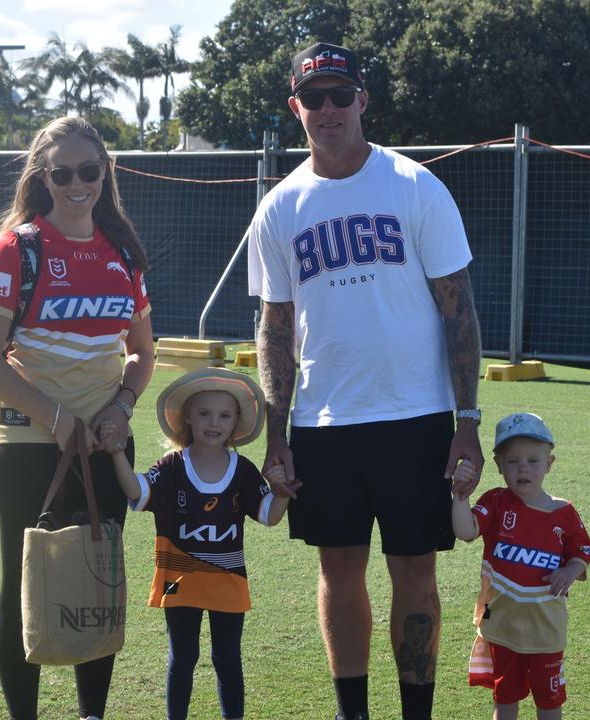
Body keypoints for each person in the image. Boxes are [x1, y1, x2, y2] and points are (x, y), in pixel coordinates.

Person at [246, 41, 486, 720]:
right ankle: (353, 713)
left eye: (340, 95)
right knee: (338, 572)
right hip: (325, 424)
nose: (328, 109)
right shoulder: (281, 207)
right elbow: (274, 327)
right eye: (313, 97)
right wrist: (277, 434)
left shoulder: (414, 187)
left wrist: (466, 422)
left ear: (363, 101)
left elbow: (457, 308)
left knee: (416, 570)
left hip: (416, 417)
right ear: (297, 107)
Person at [0, 116, 153, 720]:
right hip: (25, 443)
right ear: (42, 177)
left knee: (97, 577)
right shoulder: (16, 248)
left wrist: (120, 410)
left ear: (106, 173)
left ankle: (91, 713)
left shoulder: (122, 251)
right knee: (24, 584)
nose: (78, 184)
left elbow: (143, 353)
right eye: (63, 172)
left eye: (89, 171)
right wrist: (58, 418)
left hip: (103, 442)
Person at [99, 368, 301, 720]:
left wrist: (282, 492)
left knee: (227, 658)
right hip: (181, 580)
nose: (214, 422)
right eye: (204, 413)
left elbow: (269, 515)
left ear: (236, 421)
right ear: (188, 418)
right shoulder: (173, 466)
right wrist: (117, 453)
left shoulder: (243, 469)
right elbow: (137, 491)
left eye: (224, 415)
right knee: (183, 657)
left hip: (228, 581)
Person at [451, 413, 590, 720]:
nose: (523, 468)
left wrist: (569, 571)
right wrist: (460, 499)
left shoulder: (564, 513)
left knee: (549, 702)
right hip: (503, 628)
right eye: (513, 461)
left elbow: (582, 550)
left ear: (549, 463)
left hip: (546, 631)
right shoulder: (496, 502)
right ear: (499, 465)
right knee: (505, 701)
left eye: (532, 459)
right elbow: (466, 532)